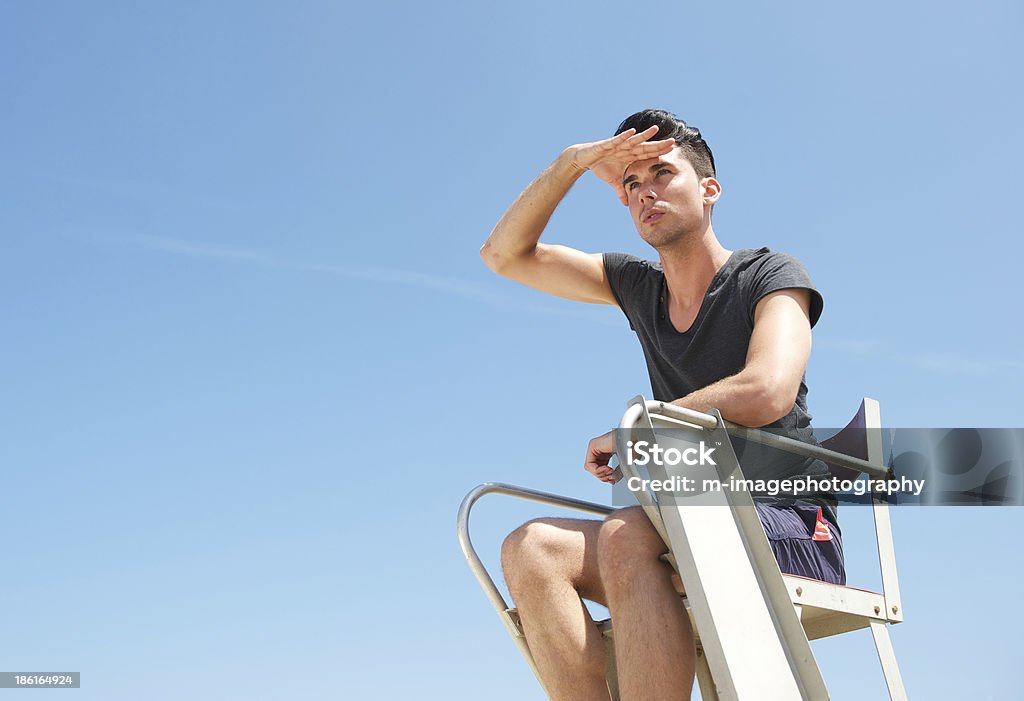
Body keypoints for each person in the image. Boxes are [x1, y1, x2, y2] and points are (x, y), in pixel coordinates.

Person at [480, 109, 843, 701]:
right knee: (532, 549)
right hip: (680, 522)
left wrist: (637, 430)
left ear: (709, 189)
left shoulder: (772, 274)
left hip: (794, 526)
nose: (646, 191)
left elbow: (766, 389)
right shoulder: (637, 287)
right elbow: (503, 256)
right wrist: (573, 162)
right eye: (631, 183)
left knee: (629, 532)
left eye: (662, 173)